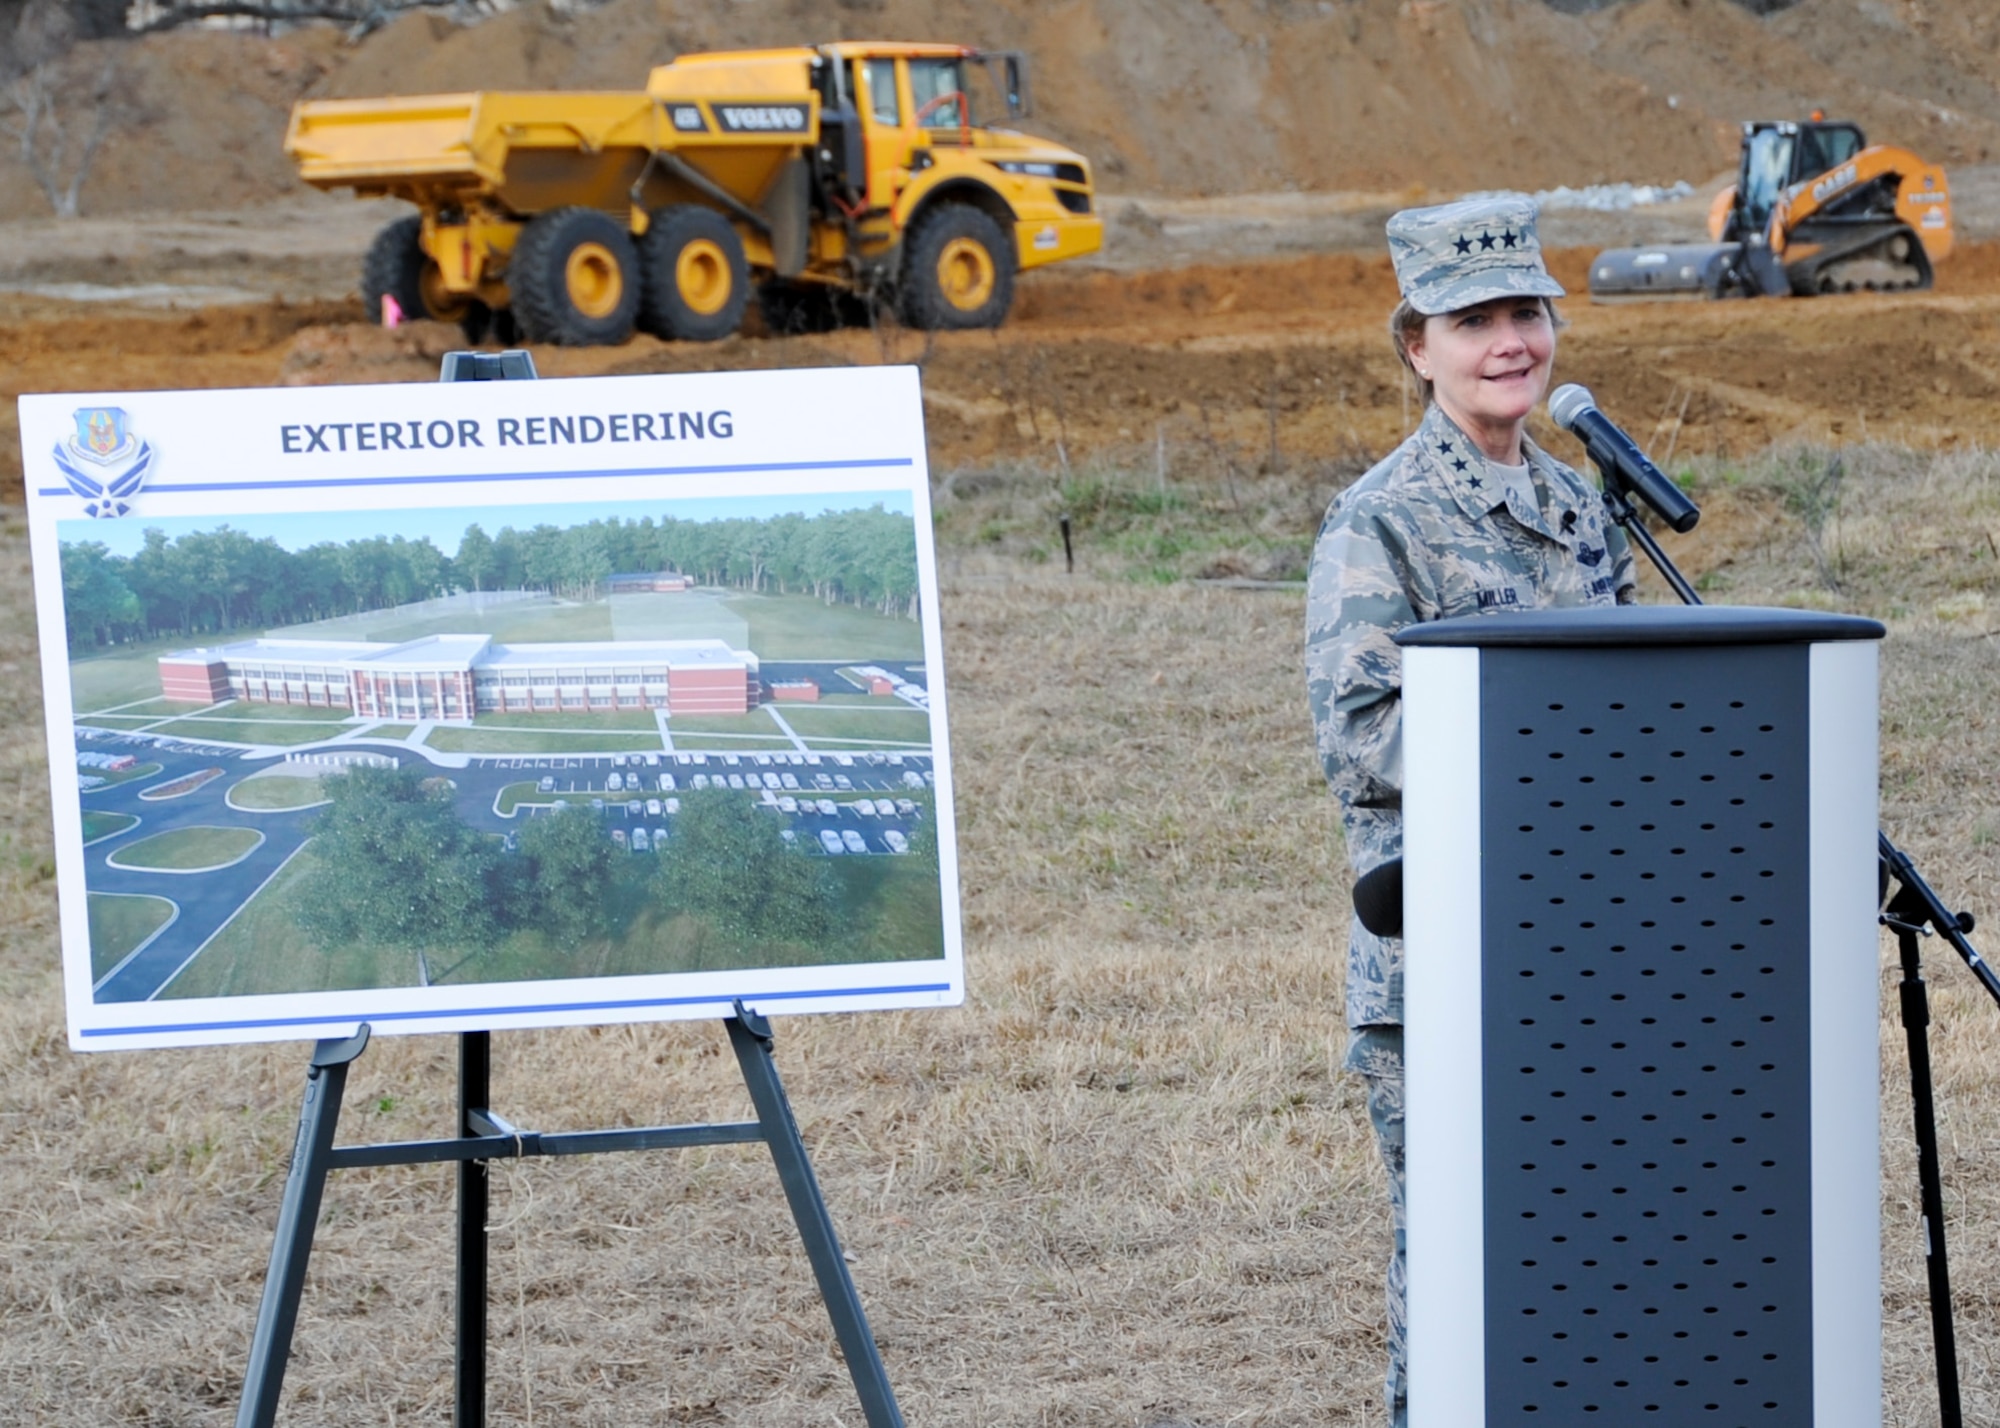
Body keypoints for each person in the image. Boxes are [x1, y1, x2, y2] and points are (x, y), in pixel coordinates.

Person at [1303, 194, 1637, 1428]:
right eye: (1473, 320)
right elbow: (1360, 739)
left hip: (1585, 952)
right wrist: (1546, 748)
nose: (1510, 341)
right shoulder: (1378, 519)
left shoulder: (1581, 505)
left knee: (1591, 1258)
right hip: (1442, 959)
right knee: (1460, 1270)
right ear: (1415, 347)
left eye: (1526, 313)